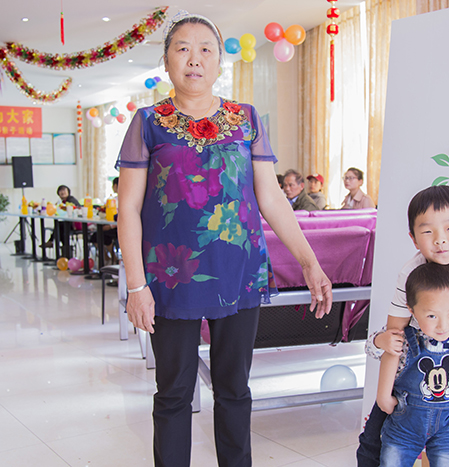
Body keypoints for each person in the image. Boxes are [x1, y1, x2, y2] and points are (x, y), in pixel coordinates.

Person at [115, 11, 332, 467]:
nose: (194, 59)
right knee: (173, 392)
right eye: (182, 49)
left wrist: (309, 263)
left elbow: (271, 198)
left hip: (239, 272)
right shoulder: (148, 122)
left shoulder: (245, 118)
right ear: (167, 61)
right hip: (170, 276)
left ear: (218, 62)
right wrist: (136, 286)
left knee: (234, 389)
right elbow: (128, 209)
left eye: (205, 50)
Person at [357, 185, 449, 467]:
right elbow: (394, 337)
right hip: (415, 363)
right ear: (414, 238)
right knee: (372, 444)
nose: (440, 240)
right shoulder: (410, 273)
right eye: (427, 231)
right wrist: (383, 396)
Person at [376, 262, 449, 466]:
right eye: (432, 316)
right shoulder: (405, 337)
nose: (443, 325)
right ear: (411, 310)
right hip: (404, 426)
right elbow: (379, 351)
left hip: (446, 427)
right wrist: (383, 397)